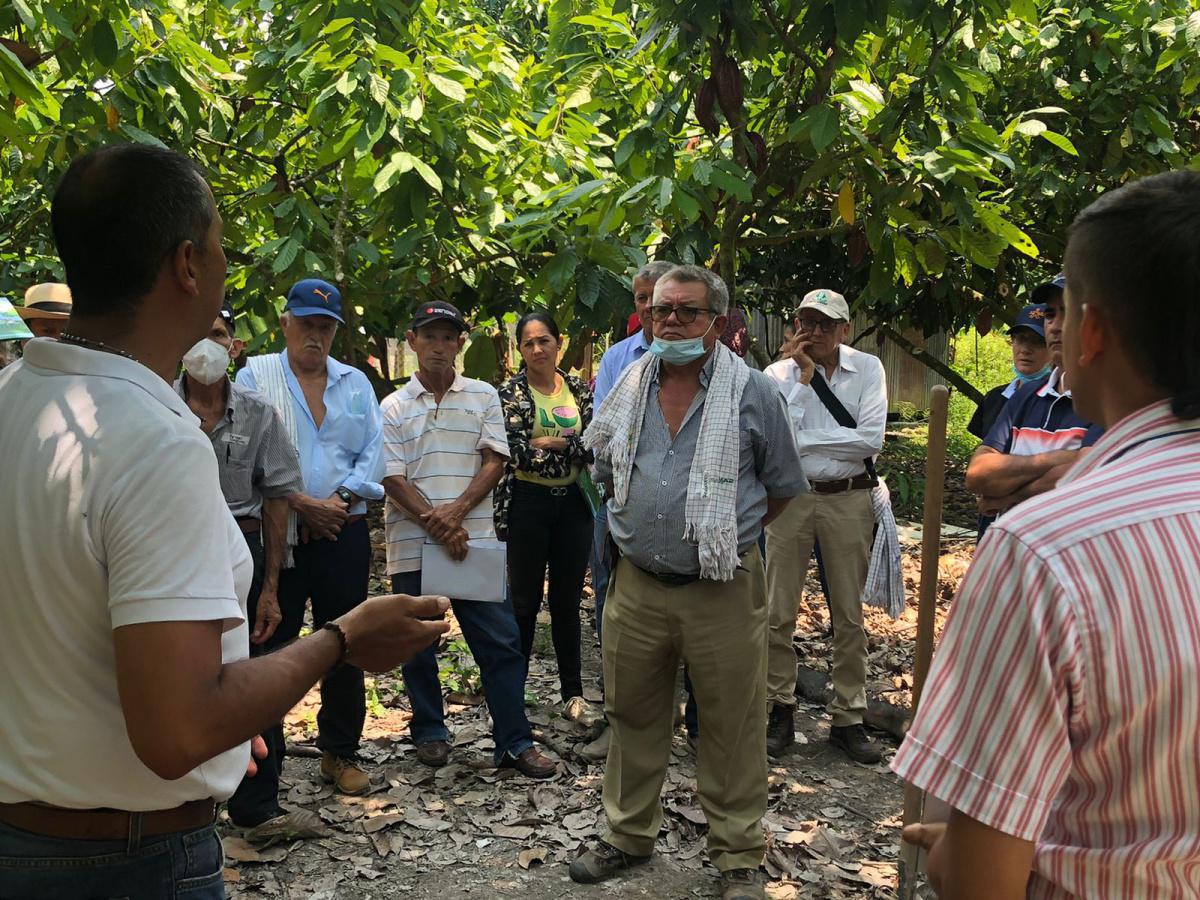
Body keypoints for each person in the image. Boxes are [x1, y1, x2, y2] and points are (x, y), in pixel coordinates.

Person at [0, 144, 447, 898]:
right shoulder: (153, 437)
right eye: (219, 246)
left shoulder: (17, 397)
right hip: (123, 862)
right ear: (186, 265)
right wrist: (342, 639)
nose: (223, 264)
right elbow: (176, 732)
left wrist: (222, 734)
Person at [896, 170, 1200, 899]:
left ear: (1090, 331)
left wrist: (949, 854)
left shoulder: (1047, 552)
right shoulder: (1026, 407)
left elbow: (978, 880)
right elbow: (982, 471)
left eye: (1065, 312)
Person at [571, 265, 807, 900]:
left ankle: (736, 856)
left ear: (718, 323)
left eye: (688, 312)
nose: (671, 321)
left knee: (731, 723)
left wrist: (720, 536)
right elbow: (607, 466)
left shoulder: (755, 393)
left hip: (722, 589)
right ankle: (627, 836)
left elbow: (781, 491)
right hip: (638, 586)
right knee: (632, 714)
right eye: (661, 311)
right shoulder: (628, 384)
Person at [382, 302, 557, 779]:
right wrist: (440, 523)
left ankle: (514, 742)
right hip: (414, 543)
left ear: (461, 344)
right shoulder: (393, 406)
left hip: (472, 541)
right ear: (413, 341)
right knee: (417, 645)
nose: (439, 347)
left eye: (448, 338)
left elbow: (495, 461)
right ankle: (431, 733)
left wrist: (456, 514)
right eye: (430, 337)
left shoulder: (482, 395)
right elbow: (392, 479)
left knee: (500, 642)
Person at [176, 301, 324, 841]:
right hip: (174, 551)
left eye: (217, 335)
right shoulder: (157, 408)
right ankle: (185, 801)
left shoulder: (260, 413)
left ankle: (256, 808)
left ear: (234, 346)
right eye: (197, 334)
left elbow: (280, 497)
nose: (206, 346)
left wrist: (271, 589)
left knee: (254, 671)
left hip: (245, 544)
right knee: (179, 668)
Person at [237, 279, 386, 797]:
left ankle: (340, 752)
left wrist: (339, 503)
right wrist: (303, 503)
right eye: (306, 326)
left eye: (325, 328)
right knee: (272, 644)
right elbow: (247, 457)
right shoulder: (256, 376)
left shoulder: (356, 384)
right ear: (285, 323)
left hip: (343, 532)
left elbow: (373, 454)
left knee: (346, 641)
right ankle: (264, 769)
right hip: (283, 534)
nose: (315, 337)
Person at [763, 289, 888, 764]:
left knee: (849, 614)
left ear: (844, 329)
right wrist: (803, 381)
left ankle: (849, 717)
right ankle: (780, 709)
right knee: (778, 610)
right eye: (806, 322)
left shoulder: (869, 368)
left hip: (848, 498)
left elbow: (871, 439)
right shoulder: (776, 374)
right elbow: (779, 440)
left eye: (824, 324)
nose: (813, 332)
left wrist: (808, 442)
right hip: (791, 499)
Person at [580, 260, 675, 762]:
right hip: (618, 502)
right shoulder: (618, 359)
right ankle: (620, 721)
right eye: (642, 299)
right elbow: (604, 433)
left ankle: (696, 720)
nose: (651, 309)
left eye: (658, 298)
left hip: (685, 513)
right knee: (611, 607)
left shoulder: (720, 365)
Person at [496, 312, 595, 713]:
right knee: (523, 601)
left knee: (567, 601)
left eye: (545, 341)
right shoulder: (510, 393)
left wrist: (552, 444)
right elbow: (513, 452)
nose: (537, 349)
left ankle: (573, 692)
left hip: (574, 503)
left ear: (559, 343)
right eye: (529, 343)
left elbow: (593, 445)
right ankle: (513, 694)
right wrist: (563, 448)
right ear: (520, 349)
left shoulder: (577, 389)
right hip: (527, 503)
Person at [964, 278, 1103, 536]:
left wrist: (1009, 496)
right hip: (1008, 552)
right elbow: (978, 474)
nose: (1056, 326)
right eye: (1051, 315)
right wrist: (1062, 457)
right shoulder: (1026, 394)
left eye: (1070, 313)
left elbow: (1084, 472)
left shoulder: (1107, 400)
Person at [964, 303, 1051, 441]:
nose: (1025, 350)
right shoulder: (994, 398)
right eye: (1020, 339)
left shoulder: (1063, 402)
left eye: (1038, 341)